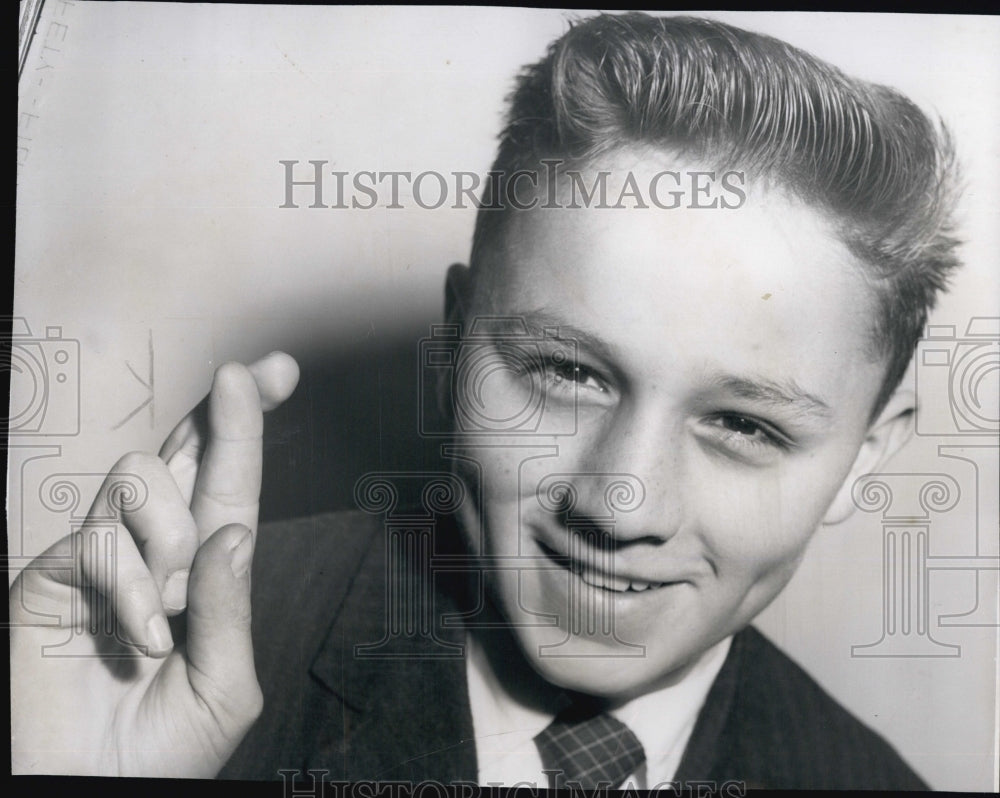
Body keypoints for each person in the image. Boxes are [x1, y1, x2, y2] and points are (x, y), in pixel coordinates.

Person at [10, 12, 960, 789]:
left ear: (863, 461)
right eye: (567, 372)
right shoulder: (146, 672)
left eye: (743, 425)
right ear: (457, 342)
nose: (621, 503)